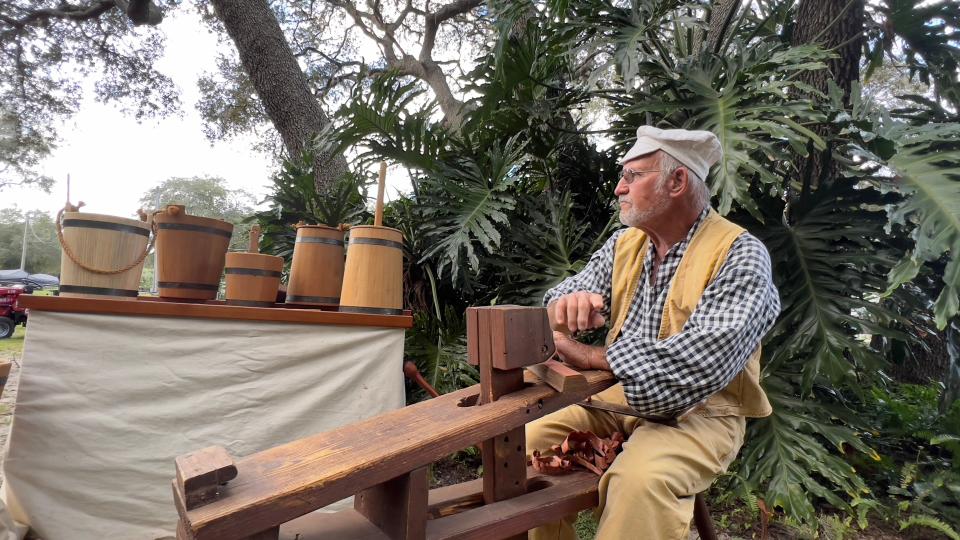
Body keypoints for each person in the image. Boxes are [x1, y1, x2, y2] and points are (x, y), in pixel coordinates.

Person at [527, 126, 781, 540]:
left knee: (641, 482)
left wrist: (595, 357)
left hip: (701, 414)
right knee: (527, 443)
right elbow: (569, 289)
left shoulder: (739, 253)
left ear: (677, 182)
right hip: (616, 402)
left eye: (632, 176)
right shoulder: (625, 244)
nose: (618, 188)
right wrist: (566, 305)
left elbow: (697, 366)